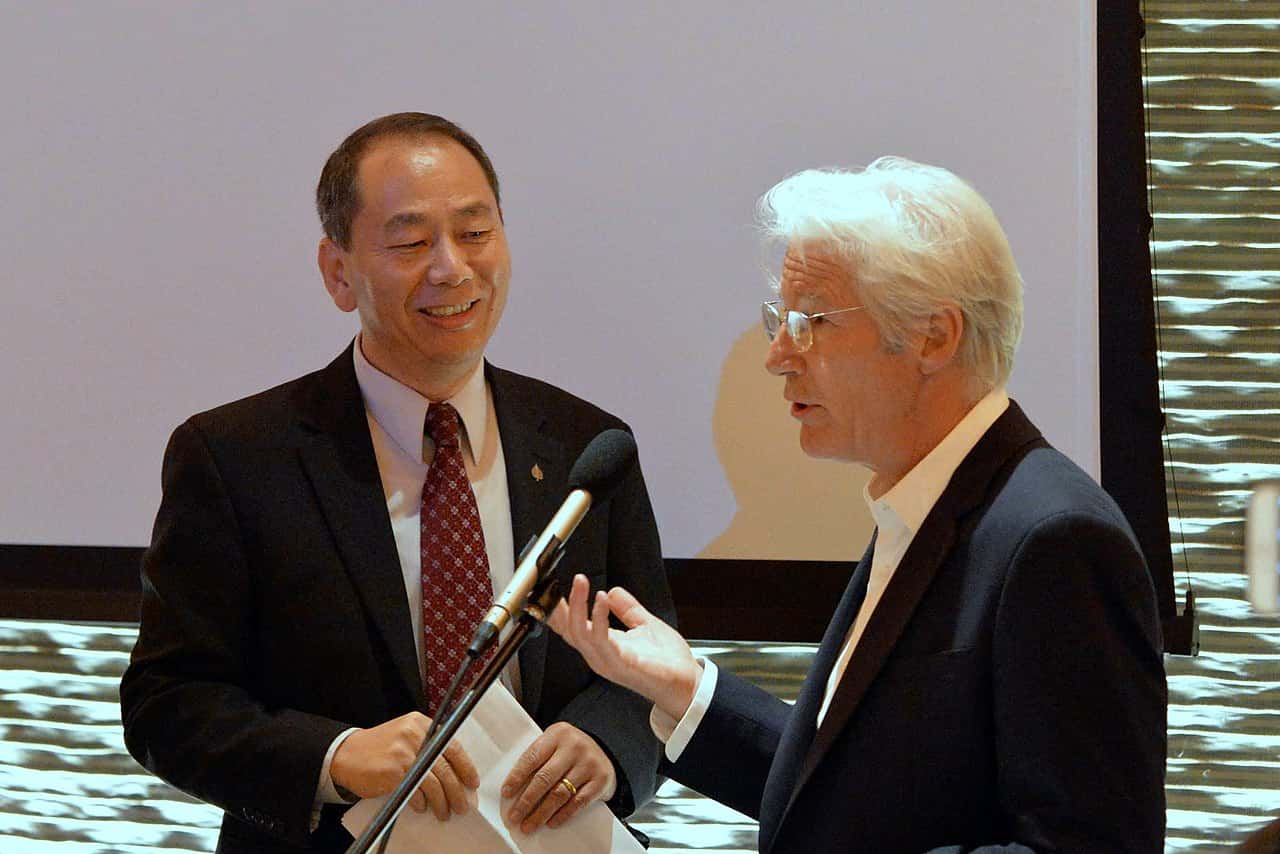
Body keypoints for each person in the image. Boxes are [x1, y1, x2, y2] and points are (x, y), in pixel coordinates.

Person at [552, 158, 1168, 852]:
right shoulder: (925, 505)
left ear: (934, 337)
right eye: (778, 320)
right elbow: (858, 799)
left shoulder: (1056, 541)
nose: (777, 355)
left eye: (809, 321)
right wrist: (688, 690)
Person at [119, 112, 674, 853]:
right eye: (411, 244)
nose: (452, 268)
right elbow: (167, 704)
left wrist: (605, 743)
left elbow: (650, 662)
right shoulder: (236, 457)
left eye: (475, 232)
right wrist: (334, 757)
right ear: (338, 272)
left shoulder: (588, 446)